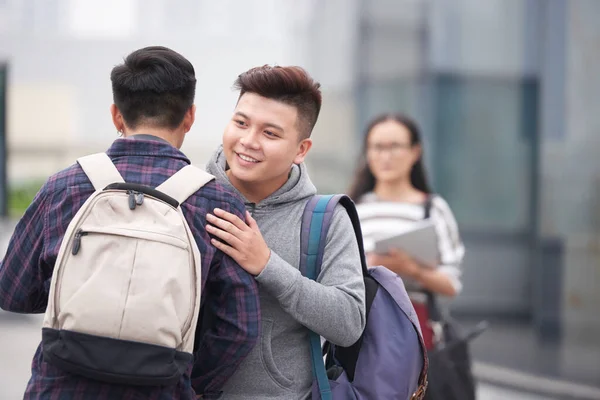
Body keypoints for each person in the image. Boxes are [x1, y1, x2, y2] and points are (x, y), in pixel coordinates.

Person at [0, 46, 260, 400]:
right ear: (190, 117)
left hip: (61, 386)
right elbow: (239, 327)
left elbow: (13, 292)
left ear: (116, 115)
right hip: (162, 388)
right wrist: (191, 384)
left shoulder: (64, 187)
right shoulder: (216, 202)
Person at [200, 65, 366, 399]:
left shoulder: (325, 219)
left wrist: (266, 265)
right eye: (241, 123)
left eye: (270, 134)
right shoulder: (190, 199)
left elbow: (348, 323)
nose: (248, 141)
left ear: (301, 150)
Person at [348, 113, 465, 349]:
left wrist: (411, 270)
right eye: (377, 147)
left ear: (415, 152)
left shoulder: (433, 209)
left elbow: (451, 285)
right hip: (360, 330)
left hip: (415, 329)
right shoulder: (351, 209)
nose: (385, 156)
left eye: (395, 147)